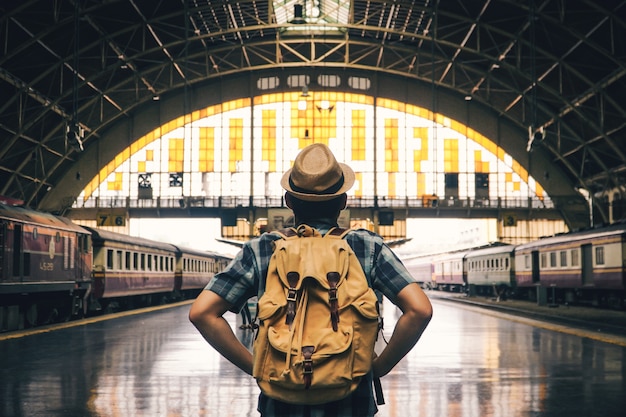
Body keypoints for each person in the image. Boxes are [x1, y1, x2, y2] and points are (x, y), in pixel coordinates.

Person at [189, 143, 433, 416]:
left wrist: (257, 365)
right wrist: (380, 367)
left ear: (288, 201)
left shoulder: (261, 248)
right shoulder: (367, 246)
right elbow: (419, 310)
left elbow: (202, 313)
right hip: (353, 401)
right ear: (343, 201)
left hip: (280, 400)